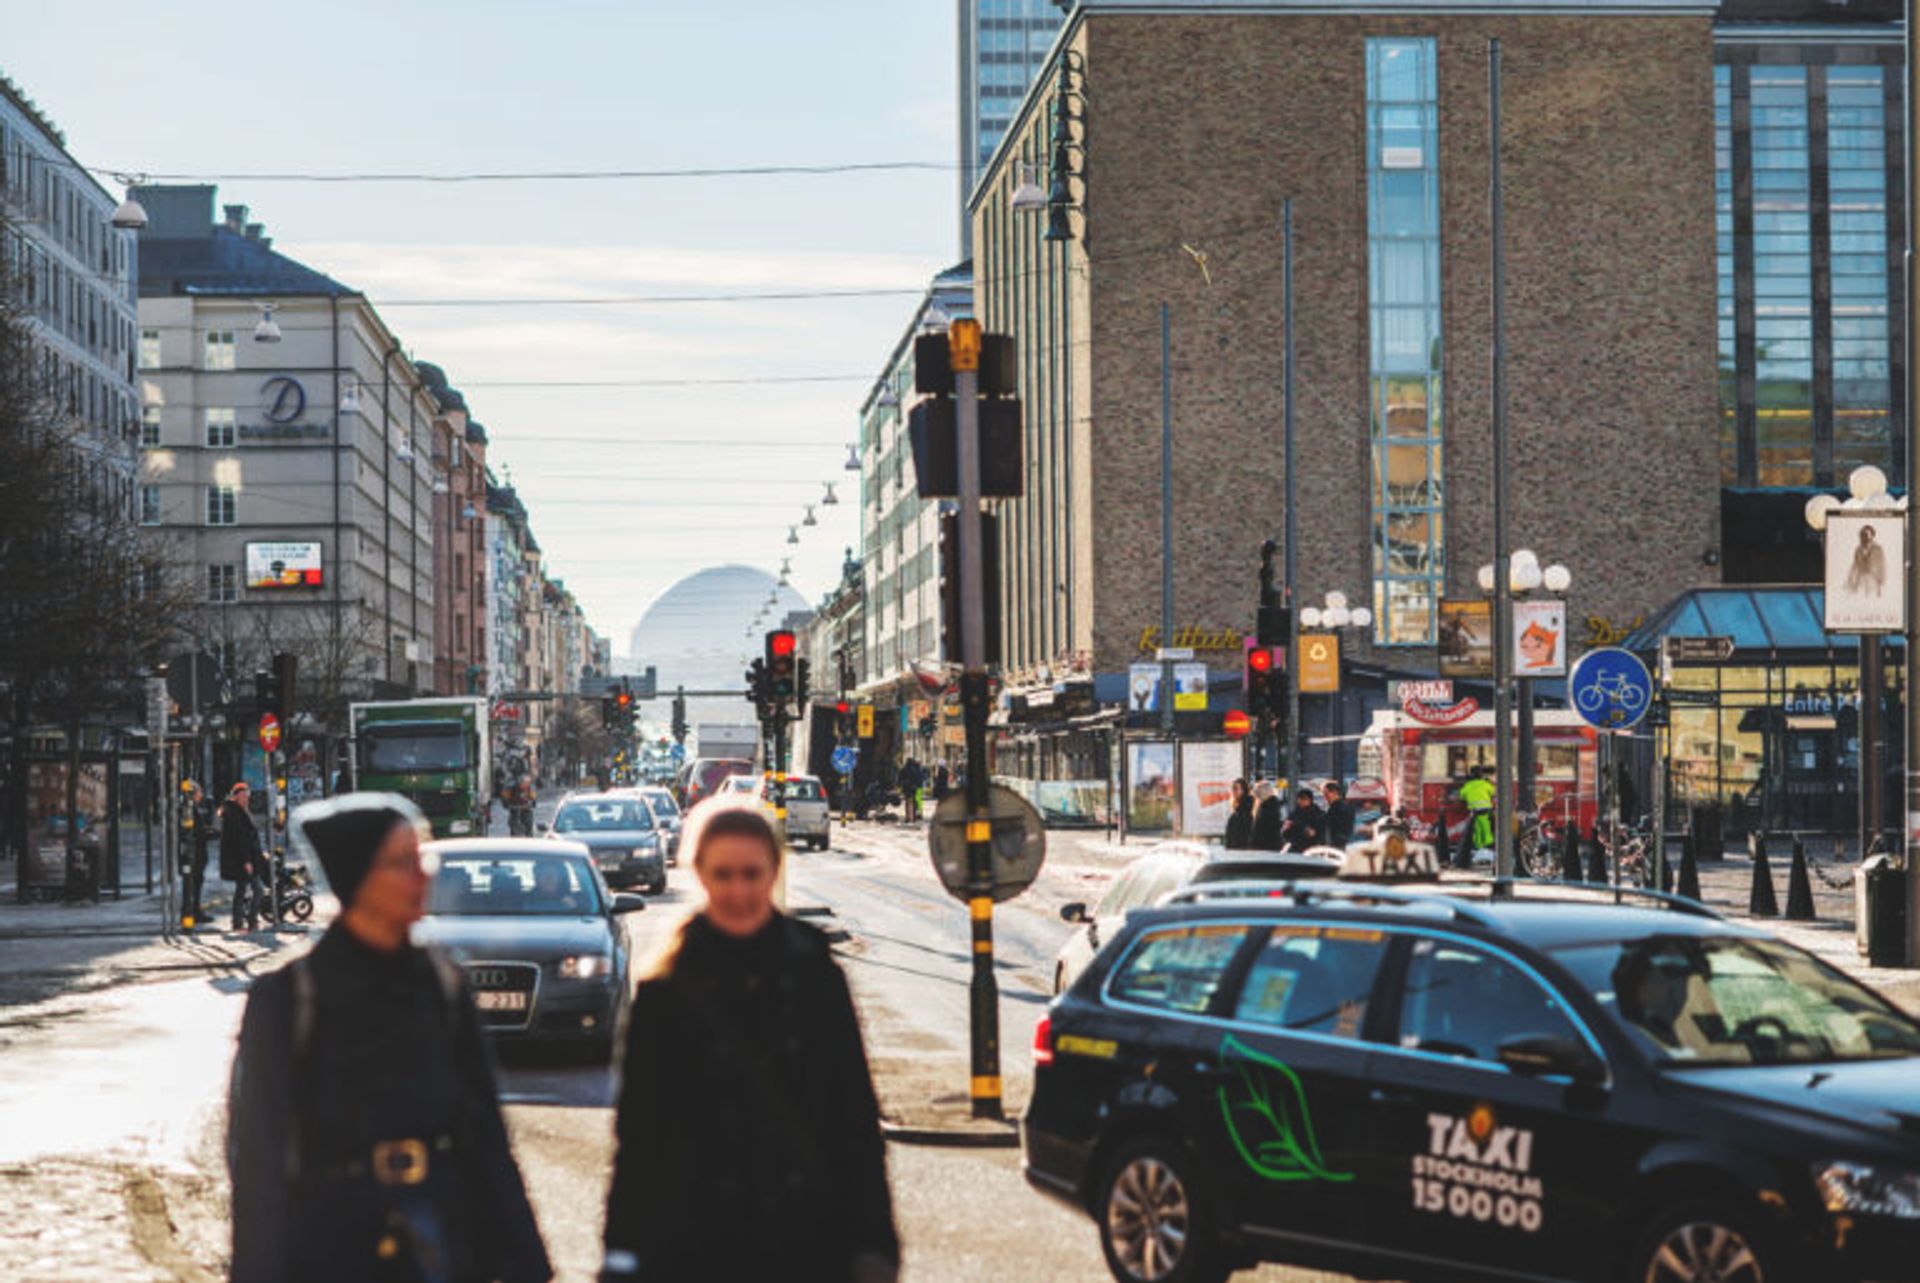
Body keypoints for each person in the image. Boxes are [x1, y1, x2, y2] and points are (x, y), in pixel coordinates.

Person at [228, 795, 551, 1283]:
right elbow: (258, 1160)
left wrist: (528, 1262)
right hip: (332, 1249)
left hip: (444, 1243)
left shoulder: (444, 984)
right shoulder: (290, 998)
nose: (423, 877)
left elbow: (484, 1134)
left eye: (424, 860)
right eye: (404, 863)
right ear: (357, 878)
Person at [602, 801, 898, 1283]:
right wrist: (620, 1252)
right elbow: (639, 1138)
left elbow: (855, 1122)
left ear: (773, 873)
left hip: (806, 1243)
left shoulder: (815, 976)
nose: (738, 891)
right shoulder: (665, 991)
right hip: (691, 1247)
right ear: (698, 875)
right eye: (723, 874)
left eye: (750, 874)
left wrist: (875, 1245)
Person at [220, 782, 265, 934]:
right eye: (244, 796)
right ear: (237, 796)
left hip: (246, 858)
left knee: (242, 890)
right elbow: (240, 839)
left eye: (248, 796)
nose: (247, 799)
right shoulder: (234, 813)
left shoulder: (239, 810)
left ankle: (240, 922)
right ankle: (249, 920)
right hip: (243, 860)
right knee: (257, 889)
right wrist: (247, 861)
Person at [181, 780, 215, 930]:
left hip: (195, 853)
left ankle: (193, 911)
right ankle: (191, 912)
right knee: (193, 884)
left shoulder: (192, 808)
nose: (201, 795)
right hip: (194, 854)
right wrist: (213, 834)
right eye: (199, 792)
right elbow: (195, 833)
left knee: (195, 884)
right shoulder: (188, 810)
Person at [1459, 767, 1497, 856]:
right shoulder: (1485, 784)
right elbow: (1493, 793)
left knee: (1477, 828)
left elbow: (1462, 796)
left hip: (1474, 810)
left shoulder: (1467, 786)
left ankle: (1479, 846)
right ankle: (1488, 845)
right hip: (1486, 809)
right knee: (1485, 827)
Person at [1281, 788, 1326, 852]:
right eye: (1299, 799)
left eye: (1304, 799)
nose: (1301, 801)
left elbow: (1315, 834)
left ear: (1310, 800)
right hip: (1295, 847)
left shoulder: (1317, 814)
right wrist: (1286, 828)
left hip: (1311, 849)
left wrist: (1303, 828)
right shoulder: (1295, 813)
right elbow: (1285, 833)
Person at [1249, 781, 1284, 851]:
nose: (1256, 797)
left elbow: (1269, 827)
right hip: (1265, 845)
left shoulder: (1269, 806)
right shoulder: (1265, 805)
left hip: (1266, 845)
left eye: (1258, 794)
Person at [1322, 780, 1356, 849]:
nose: (1325, 797)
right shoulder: (1345, 806)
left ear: (1334, 792)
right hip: (1345, 842)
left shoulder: (1336, 808)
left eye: (1326, 793)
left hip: (1339, 843)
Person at [1223, 778, 1253, 849]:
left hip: (1241, 850)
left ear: (1243, 790)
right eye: (1232, 788)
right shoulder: (1239, 807)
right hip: (1238, 850)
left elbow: (1244, 831)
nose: (1233, 791)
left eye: (1235, 788)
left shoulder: (1246, 807)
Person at [897, 758, 926, 823]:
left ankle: (908, 817)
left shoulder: (904, 769)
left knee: (908, 802)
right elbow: (921, 778)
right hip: (916, 788)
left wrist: (899, 785)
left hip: (907, 788)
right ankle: (915, 816)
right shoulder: (917, 770)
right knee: (917, 802)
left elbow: (900, 778)